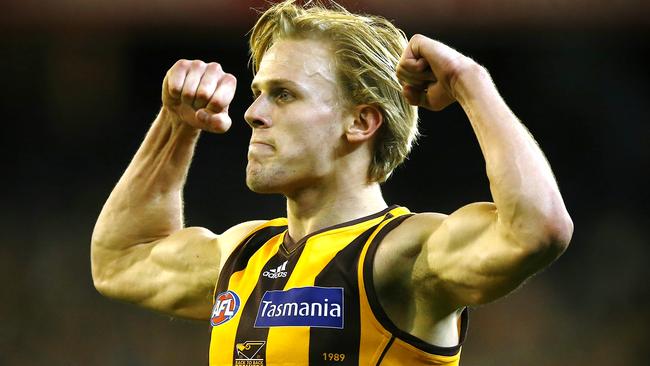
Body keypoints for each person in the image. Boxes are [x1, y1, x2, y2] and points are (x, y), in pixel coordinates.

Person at [91, 1, 573, 365]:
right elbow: (119, 260)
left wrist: (470, 81)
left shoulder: (401, 256)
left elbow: (537, 229)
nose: (254, 114)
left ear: (361, 122)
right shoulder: (240, 258)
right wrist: (176, 124)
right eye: (259, 94)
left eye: (283, 95)